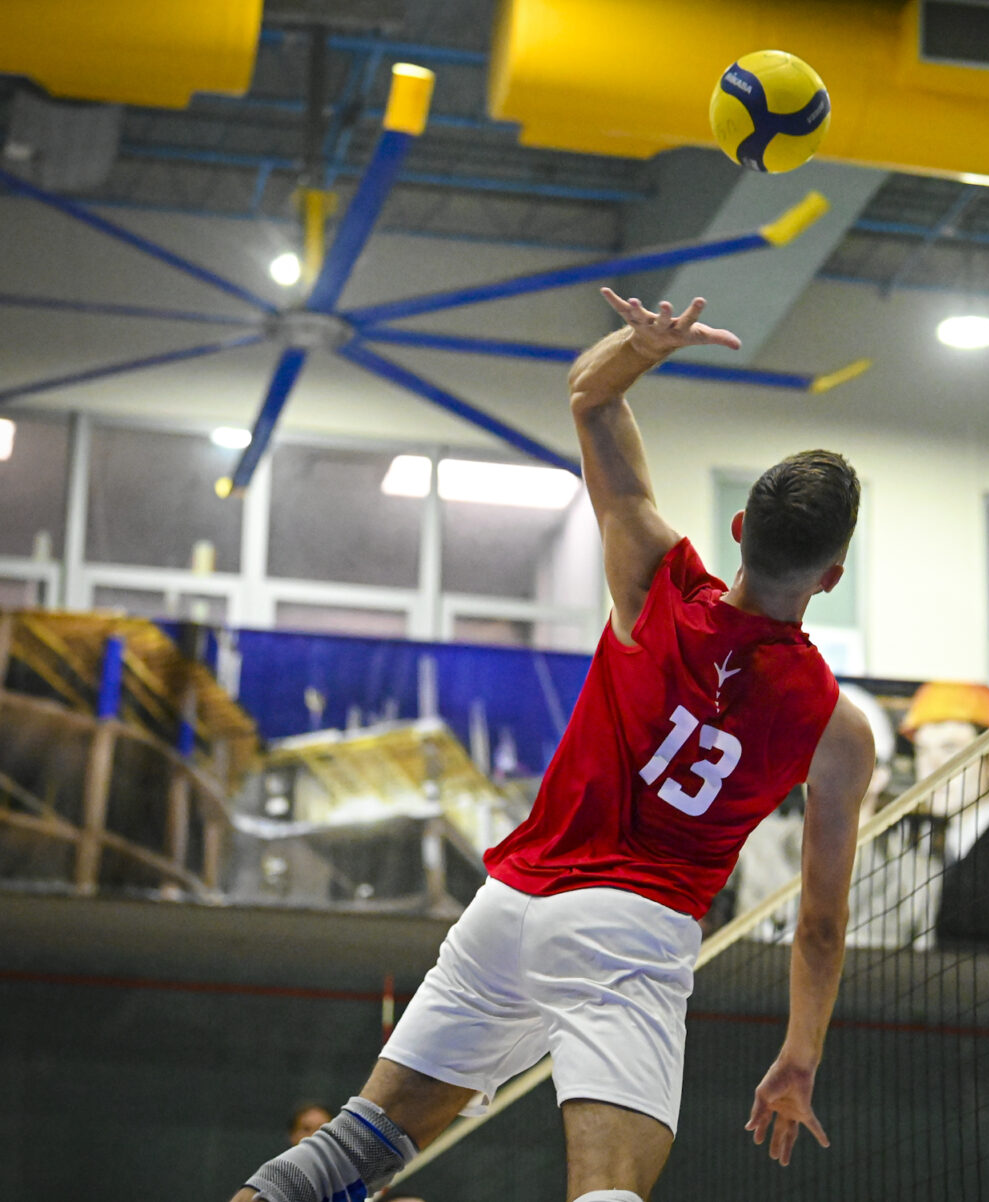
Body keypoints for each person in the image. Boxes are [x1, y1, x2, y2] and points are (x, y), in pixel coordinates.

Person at [227, 290, 875, 1202]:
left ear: (739, 530)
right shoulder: (838, 729)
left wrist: (642, 346)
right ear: (833, 576)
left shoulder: (656, 579)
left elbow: (590, 399)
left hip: (512, 905)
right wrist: (799, 1056)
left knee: (352, 1147)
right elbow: (820, 925)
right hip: (632, 930)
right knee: (606, 1189)